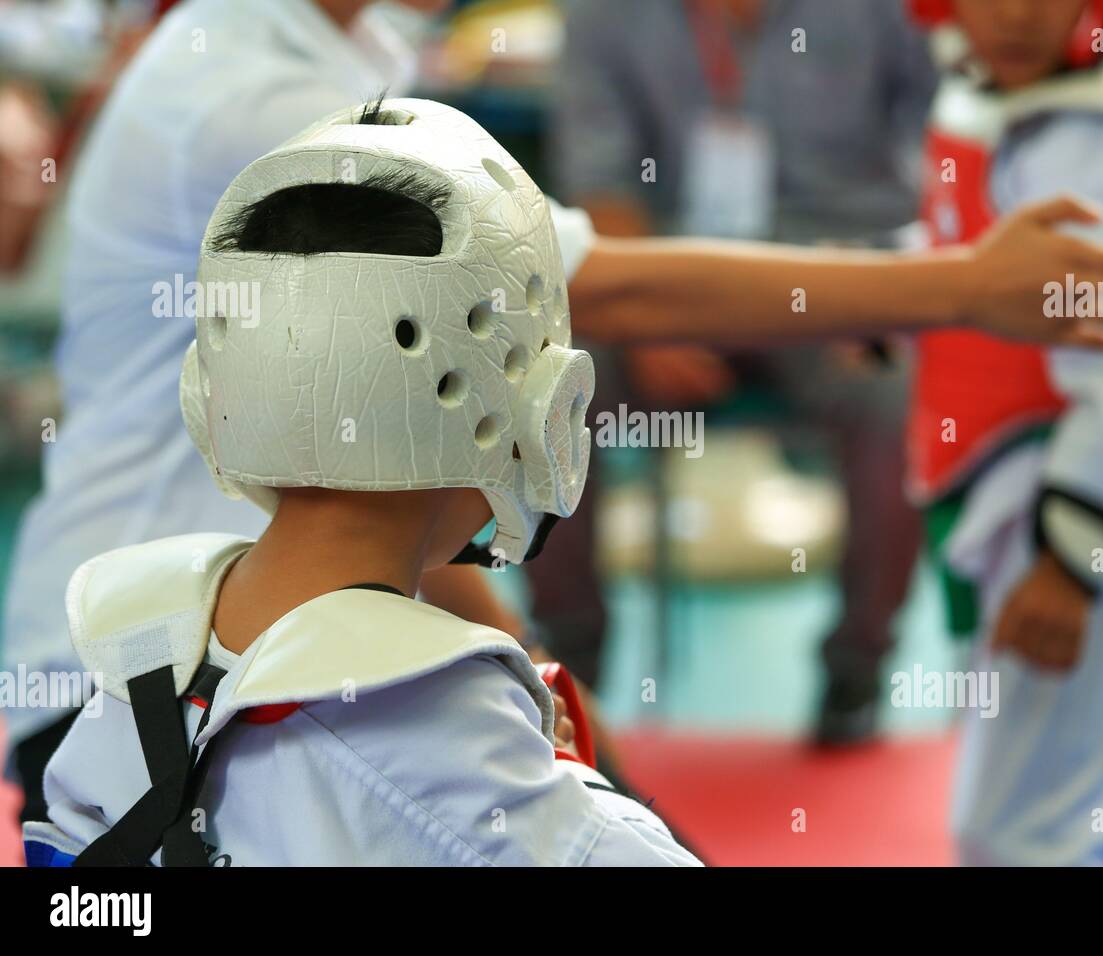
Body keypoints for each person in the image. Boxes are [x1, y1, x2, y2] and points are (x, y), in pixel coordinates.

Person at [0, 0, 1103, 827]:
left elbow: (378, 482)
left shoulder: (321, 45)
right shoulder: (250, 96)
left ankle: (829, 672)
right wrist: (961, 287)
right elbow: (599, 284)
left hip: (232, 636)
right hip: (164, 689)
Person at [22, 97, 701, 866]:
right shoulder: (459, 744)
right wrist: (586, 790)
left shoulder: (128, 671)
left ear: (216, 387)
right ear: (535, 405)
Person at [547, 0, 936, 739]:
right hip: (674, 278)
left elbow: (943, 145)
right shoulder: (604, 16)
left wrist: (887, 284)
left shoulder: (886, 14)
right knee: (554, 382)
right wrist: (644, 320)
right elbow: (598, 180)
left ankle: (857, 673)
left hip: (836, 285)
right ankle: (570, 668)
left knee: (894, 394)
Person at [904, 0, 1103, 864]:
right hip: (1027, 519)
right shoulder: (1008, 109)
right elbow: (975, 252)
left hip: (1085, 538)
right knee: (1034, 824)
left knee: (1039, 835)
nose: (1013, 12)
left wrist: (1073, 563)